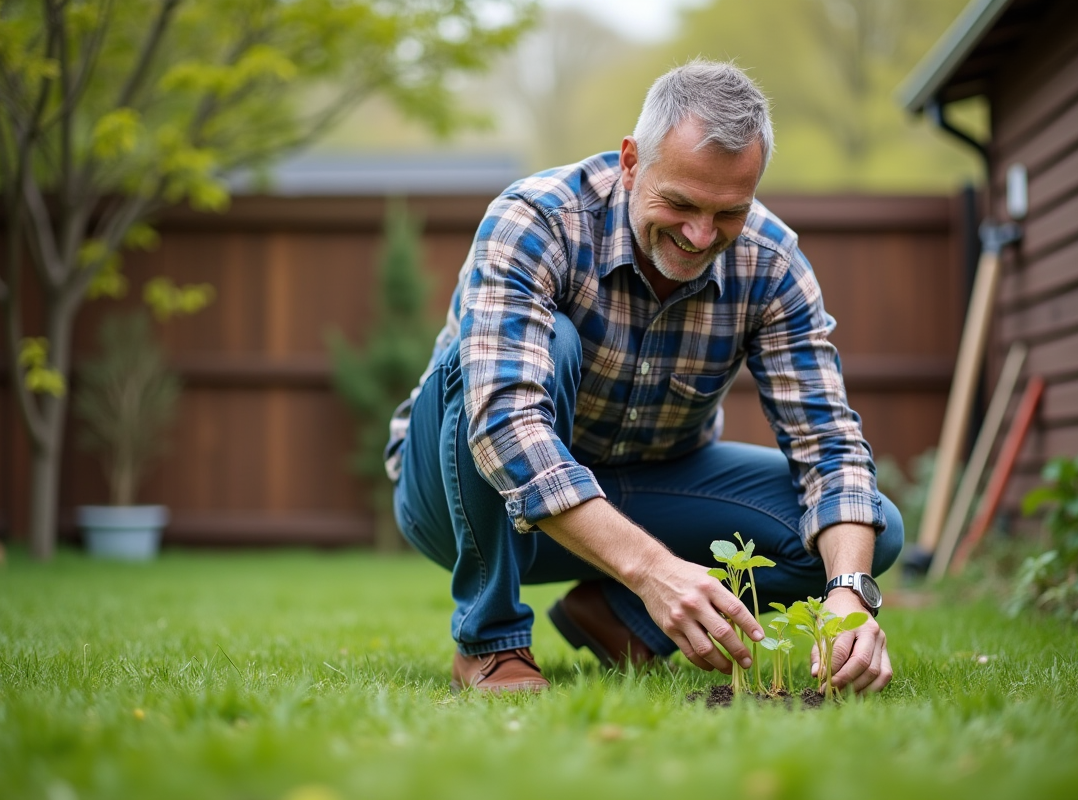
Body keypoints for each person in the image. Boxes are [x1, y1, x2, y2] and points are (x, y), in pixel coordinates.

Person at [385, 60, 903, 695]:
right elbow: (504, 423)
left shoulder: (773, 265)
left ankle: (615, 619)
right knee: (542, 346)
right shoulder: (537, 220)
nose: (700, 235)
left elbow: (831, 448)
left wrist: (850, 593)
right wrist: (656, 569)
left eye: (728, 213)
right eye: (680, 203)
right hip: (459, 496)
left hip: (645, 483)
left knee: (872, 527)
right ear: (631, 162)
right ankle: (492, 641)